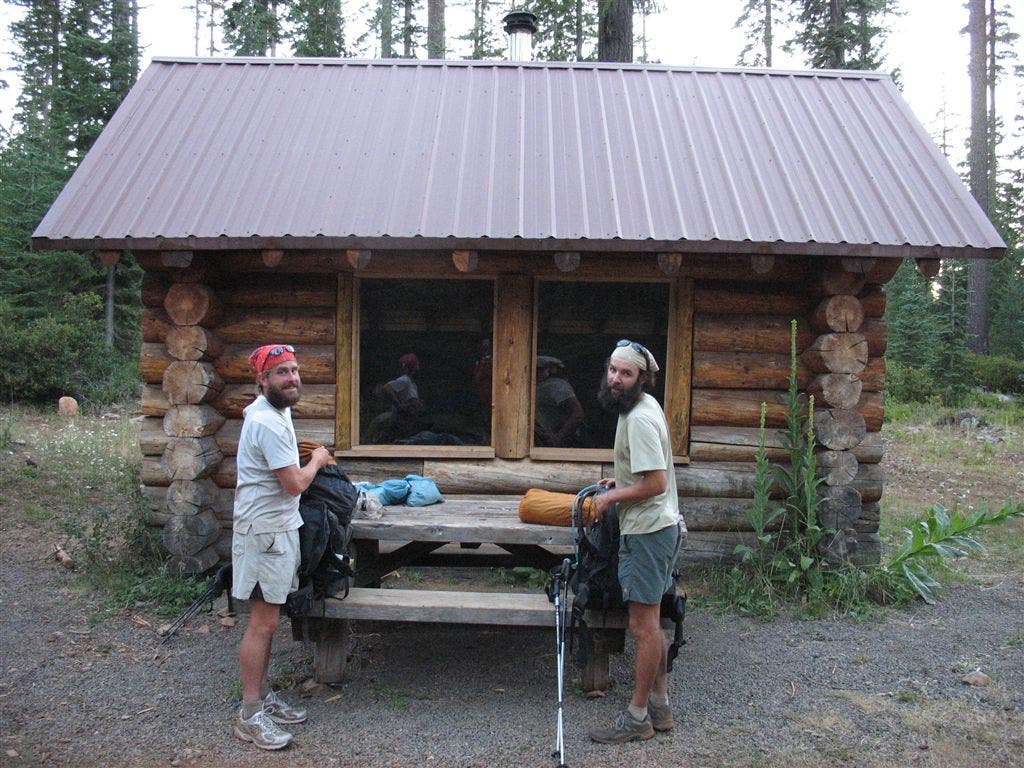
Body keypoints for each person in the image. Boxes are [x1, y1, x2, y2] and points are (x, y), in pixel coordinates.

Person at [231, 343, 333, 751]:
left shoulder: (276, 411)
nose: (292, 378)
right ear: (262, 381)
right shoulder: (267, 423)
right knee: (262, 623)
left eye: (294, 370)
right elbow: (294, 484)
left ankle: (262, 696)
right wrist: (319, 460)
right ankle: (249, 714)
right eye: (281, 373)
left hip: (279, 528)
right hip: (262, 534)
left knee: (269, 620)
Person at [588, 339, 686, 745]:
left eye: (625, 373)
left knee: (643, 628)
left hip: (648, 533)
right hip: (657, 528)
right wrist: (621, 480)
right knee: (654, 624)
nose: (615, 379)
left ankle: (637, 718)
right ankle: (660, 707)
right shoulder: (637, 408)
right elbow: (647, 473)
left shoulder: (640, 418)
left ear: (642, 379)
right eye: (612, 370)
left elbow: (657, 482)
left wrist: (611, 497)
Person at [367, 352, 427, 443]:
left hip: (409, 420)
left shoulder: (411, 383)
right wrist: (399, 406)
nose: (418, 368)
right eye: (416, 365)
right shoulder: (405, 380)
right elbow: (387, 388)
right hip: (402, 420)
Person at [534, 355, 584, 448]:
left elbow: (578, 413)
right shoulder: (536, 387)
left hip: (562, 443)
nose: (536, 373)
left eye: (539, 369)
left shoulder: (556, 385)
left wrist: (558, 439)